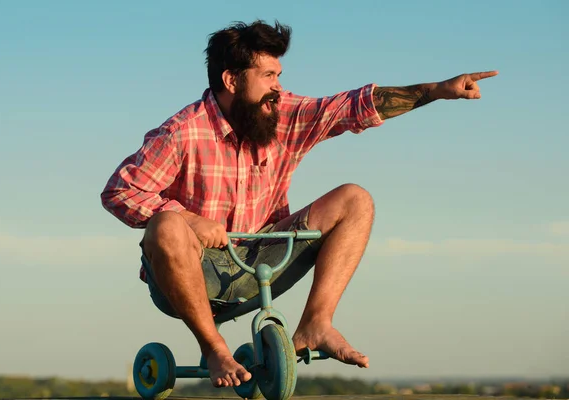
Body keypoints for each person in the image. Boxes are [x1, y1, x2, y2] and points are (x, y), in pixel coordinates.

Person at [101, 20, 497, 388]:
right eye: (268, 76)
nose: (278, 86)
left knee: (355, 200)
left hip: (260, 263)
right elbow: (118, 191)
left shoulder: (283, 113)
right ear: (231, 80)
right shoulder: (182, 132)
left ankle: (316, 324)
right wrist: (188, 219)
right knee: (167, 224)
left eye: (279, 76)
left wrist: (436, 90)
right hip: (191, 274)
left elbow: (351, 107)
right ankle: (214, 349)